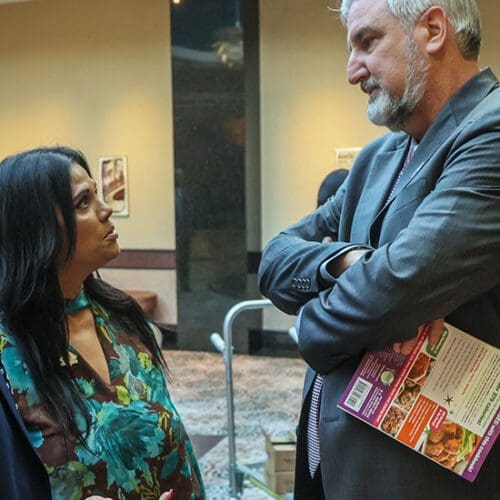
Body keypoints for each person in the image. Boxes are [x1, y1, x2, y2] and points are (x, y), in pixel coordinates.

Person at [258, 1, 499, 499]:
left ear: (433, 29)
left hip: (421, 479)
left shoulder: (490, 132)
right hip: (334, 455)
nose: (352, 71)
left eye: (367, 42)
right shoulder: (378, 157)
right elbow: (276, 256)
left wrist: (308, 325)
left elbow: (392, 289)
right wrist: (347, 259)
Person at [0, 147, 205, 499]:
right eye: (83, 202)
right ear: (36, 230)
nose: (106, 209)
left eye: (97, 195)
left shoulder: (120, 316)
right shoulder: (8, 355)